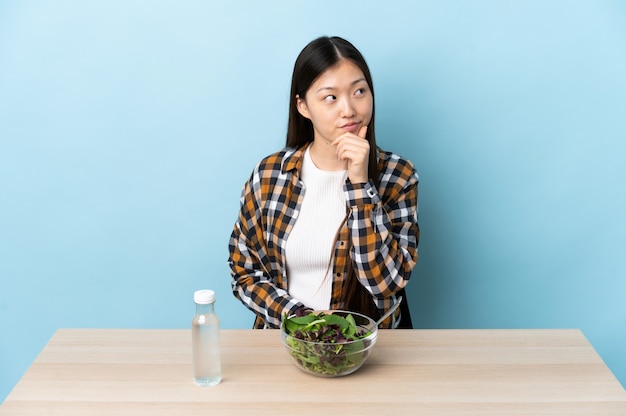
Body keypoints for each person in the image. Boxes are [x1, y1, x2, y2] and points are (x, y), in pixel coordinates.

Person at [228, 36, 419, 329]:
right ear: (303, 106)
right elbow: (245, 273)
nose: (349, 110)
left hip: (370, 349)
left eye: (359, 91)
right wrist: (305, 322)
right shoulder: (268, 176)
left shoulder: (398, 176)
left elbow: (384, 283)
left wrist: (359, 183)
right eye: (330, 97)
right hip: (288, 343)